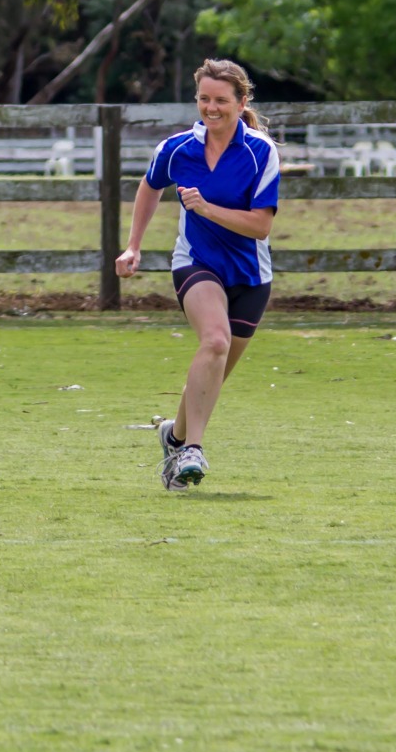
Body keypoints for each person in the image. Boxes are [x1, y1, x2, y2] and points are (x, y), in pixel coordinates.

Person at [115, 59, 281, 490]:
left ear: (241, 102)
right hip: (196, 262)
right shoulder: (176, 148)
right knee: (215, 341)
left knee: (212, 370)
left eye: (222, 100)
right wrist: (133, 245)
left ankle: (174, 436)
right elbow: (150, 185)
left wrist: (207, 208)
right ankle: (193, 450)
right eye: (204, 98)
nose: (211, 107)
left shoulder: (261, 151)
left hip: (250, 276)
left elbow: (261, 226)